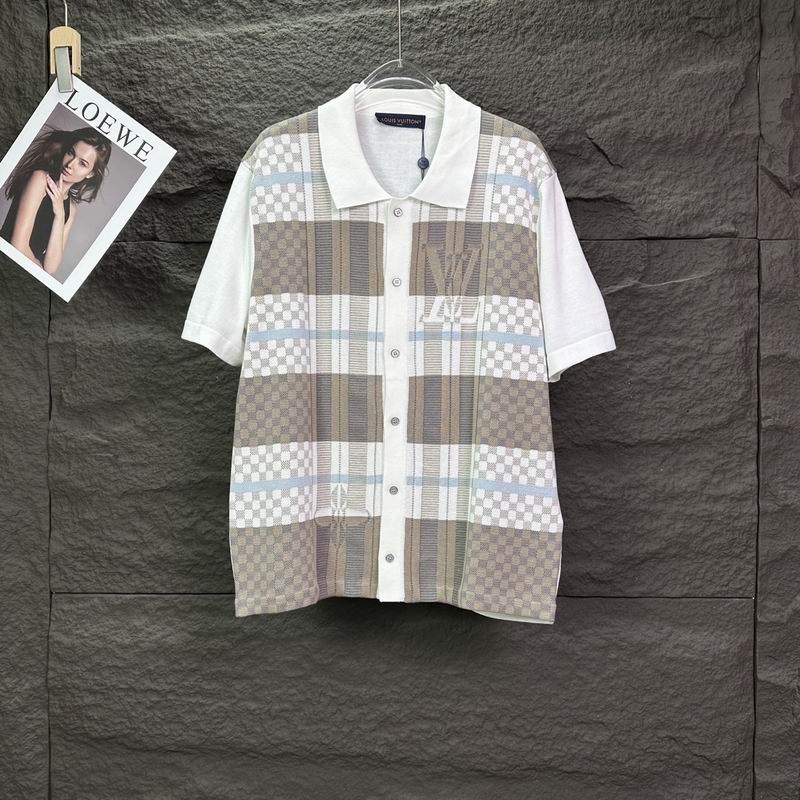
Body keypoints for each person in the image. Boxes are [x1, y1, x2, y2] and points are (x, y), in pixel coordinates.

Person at [0, 126, 112, 276]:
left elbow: (51, 267)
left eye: (82, 163)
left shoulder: (71, 209)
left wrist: (60, 214)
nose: (70, 165)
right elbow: (17, 246)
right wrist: (42, 276)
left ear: (90, 173)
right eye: (71, 153)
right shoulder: (40, 179)